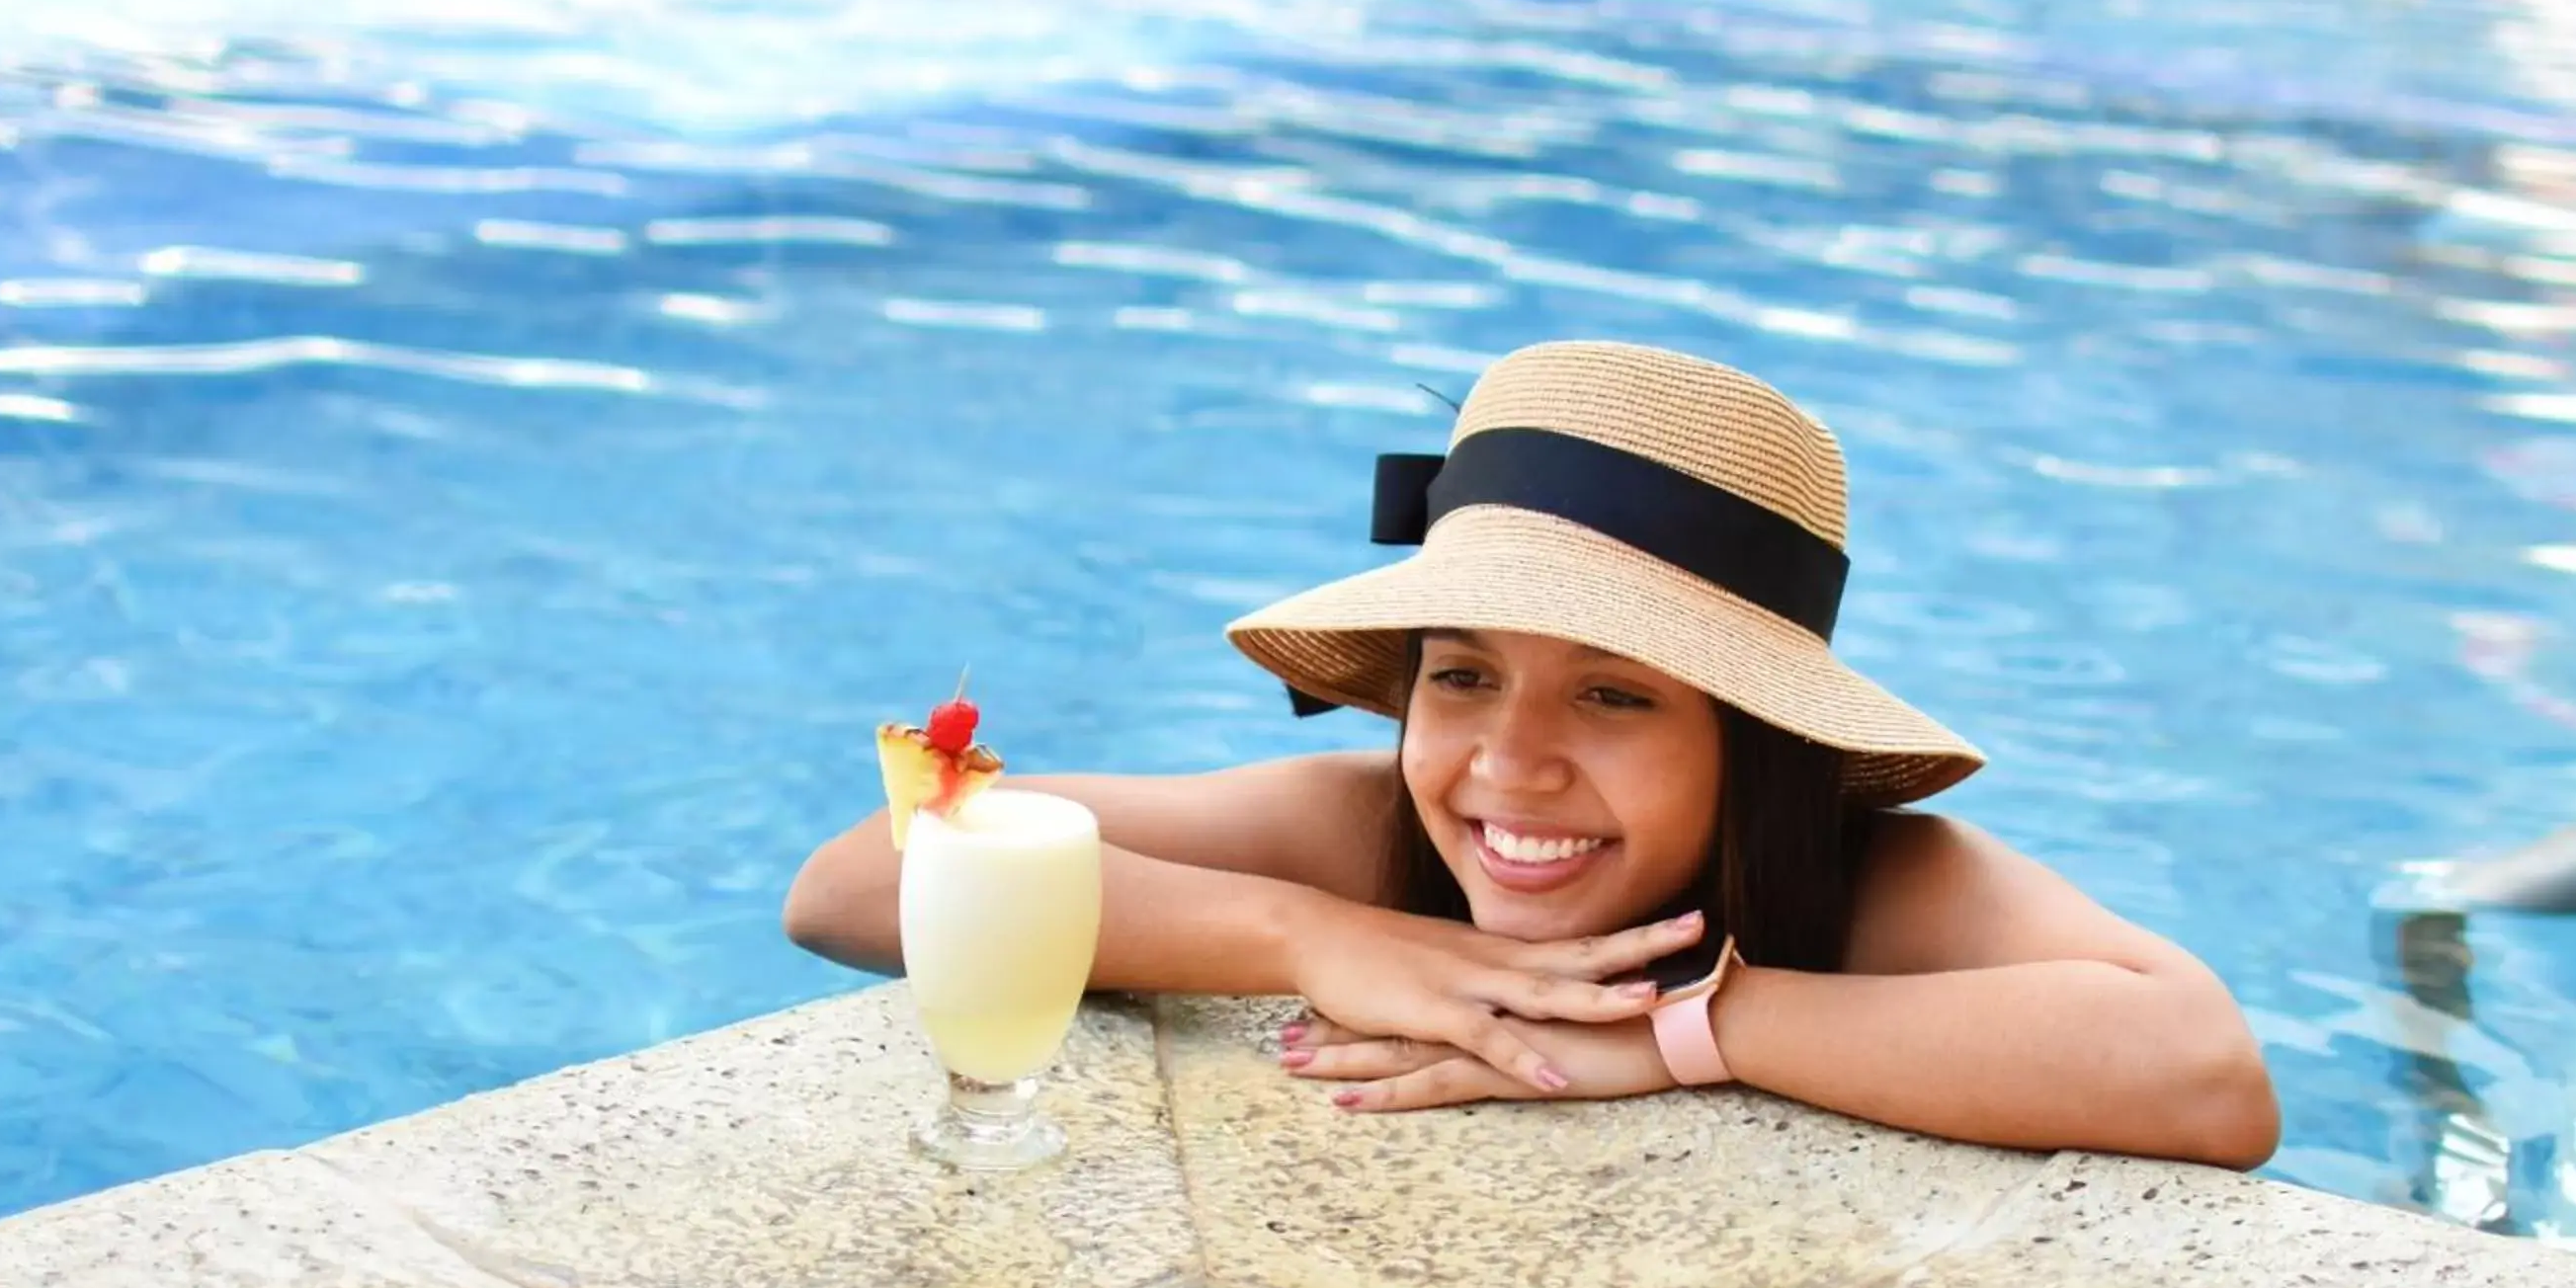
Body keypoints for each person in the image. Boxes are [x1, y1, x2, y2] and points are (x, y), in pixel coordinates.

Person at [786, 340, 2278, 1168]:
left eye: (1614, 697)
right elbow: (858, 879)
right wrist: (1312, 933)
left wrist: (1685, 1033)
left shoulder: (1871, 878)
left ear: (1750, 737)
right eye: (1464, 677)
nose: (1511, 763)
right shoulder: (1355, 831)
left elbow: (2205, 1075)